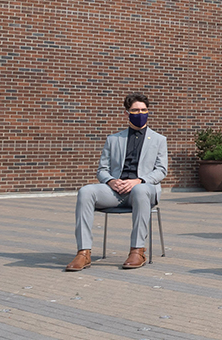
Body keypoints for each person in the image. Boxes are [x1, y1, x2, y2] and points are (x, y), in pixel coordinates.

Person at [66, 92, 169, 271]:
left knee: (140, 190)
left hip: (144, 191)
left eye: (144, 110)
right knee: (86, 191)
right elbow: (102, 170)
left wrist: (139, 181)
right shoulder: (113, 139)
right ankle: (84, 252)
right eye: (135, 110)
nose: (140, 113)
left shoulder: (159, 140)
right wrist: (111, 181)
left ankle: (137, 250)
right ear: (127, 113)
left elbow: (161, 170)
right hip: (116, 191)